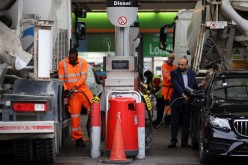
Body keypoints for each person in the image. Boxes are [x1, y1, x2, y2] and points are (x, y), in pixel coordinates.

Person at [58, 48, 93, 147]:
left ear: (77, 56)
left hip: (83, 90)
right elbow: (61, 79)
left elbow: (83, 77)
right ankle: (78, 138)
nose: (72, 59)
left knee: (94, 106)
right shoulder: (62, 63)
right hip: (72, 94)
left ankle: (95, 132)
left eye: (73, 57)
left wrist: (75, 86)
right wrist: (66, 90)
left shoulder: (83, 62)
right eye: (70, 57)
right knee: (75, 116)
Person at [168, 57, 206, 148]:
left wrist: (201, 85)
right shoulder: (174, 73)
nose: (180, 66)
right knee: (175, 122)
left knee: (186, 122)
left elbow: (194, 85)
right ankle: (173, 141)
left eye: (182, 65)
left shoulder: (191, 73)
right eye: (179, 64)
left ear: (187, 65)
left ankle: (184, 142)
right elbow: (177, 85)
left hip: (187, 101)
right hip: (177, 100)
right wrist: (183, 94)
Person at [161, 53, 177, 126]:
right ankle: (167, 121)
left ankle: (169, 121)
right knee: (167, 106)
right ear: (168, 58)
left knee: (172, 105)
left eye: (173, 58)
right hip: (167, 89)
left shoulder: (174, 66)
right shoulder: (164, 65)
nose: (172, 59)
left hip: (173, 89)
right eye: (170, 58)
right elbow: (167, 76)